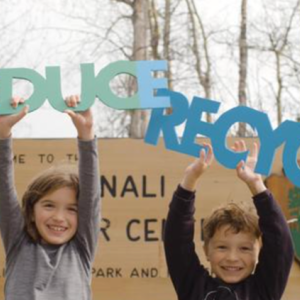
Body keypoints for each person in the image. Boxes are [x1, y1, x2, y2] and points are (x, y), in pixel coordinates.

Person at [164, 141, 294, 300]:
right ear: (207, 251)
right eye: (222, 247)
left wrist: (256, 184)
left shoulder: (265, 289)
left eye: (245, 248)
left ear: (258, 251)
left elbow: (280, 242)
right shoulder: (194, 286)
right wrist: (189, 180)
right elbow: (177, 240)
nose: (232, 257)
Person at [0, 95, 101, 300]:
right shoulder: (19, 243)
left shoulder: (80, 248)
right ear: (31, 210)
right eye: (48, 205)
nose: (58, 217)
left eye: (71, 209)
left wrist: (86, 135)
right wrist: (3, 134)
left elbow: (90, 196)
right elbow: (3, 185)